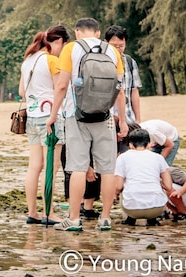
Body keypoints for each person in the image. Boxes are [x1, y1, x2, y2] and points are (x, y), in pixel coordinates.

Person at [47, 17, 126, 232]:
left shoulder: (71, 48)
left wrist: (53, 115)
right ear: (98, 33)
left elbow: (62, 85)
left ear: (78, 32)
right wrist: (124, 121)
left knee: (78, 168)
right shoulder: (112, 51)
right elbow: (119, 89)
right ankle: (106, 218)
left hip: (76, 115)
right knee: (108, 169)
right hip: (105, 116)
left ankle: (73, 219)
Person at [19, 28, 66, 225]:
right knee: (50, 169)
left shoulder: (27, 60)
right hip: (50, 118)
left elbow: (22, 92)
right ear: (58, 42)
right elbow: (60, 89)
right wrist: (54, 115)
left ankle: (33, 212)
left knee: (34, 167)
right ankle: (49, 213)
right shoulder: (52, 61)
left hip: (32, 117)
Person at [114, 128, 173, 226]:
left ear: (131, 145)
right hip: (156, 209)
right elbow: (168, 186)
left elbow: (118, 187)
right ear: (149, 144)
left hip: (132, 209)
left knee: (126, 185)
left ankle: (130, 220)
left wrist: (115, 195)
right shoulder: (158, 158)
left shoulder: (122, 157)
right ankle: (152, 220)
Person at [104, 25, 142, 127]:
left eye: (121, 46)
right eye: (114, 46)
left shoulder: (130, 62)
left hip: (128, 117)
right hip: (106, 119)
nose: (117, 49)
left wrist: (138, 119)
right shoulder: (99, 63)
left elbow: (134, 91)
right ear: (105, 43)